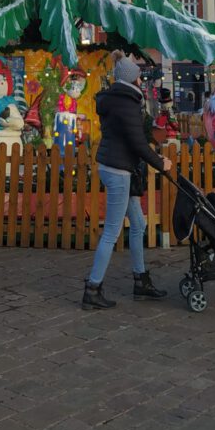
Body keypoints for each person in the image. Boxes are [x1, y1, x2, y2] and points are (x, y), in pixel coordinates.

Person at [82, 51, 173, 310]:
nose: (141, 82)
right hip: (120, 170)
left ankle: (140, 280)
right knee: (111, 231)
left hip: (117, 166)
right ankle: (93, 288)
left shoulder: (114, 100)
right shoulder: (127, 103)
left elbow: (129, 139)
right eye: (138, 78)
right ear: (131, 80)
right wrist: (160, 163)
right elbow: (137, 142)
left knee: (139, 223)